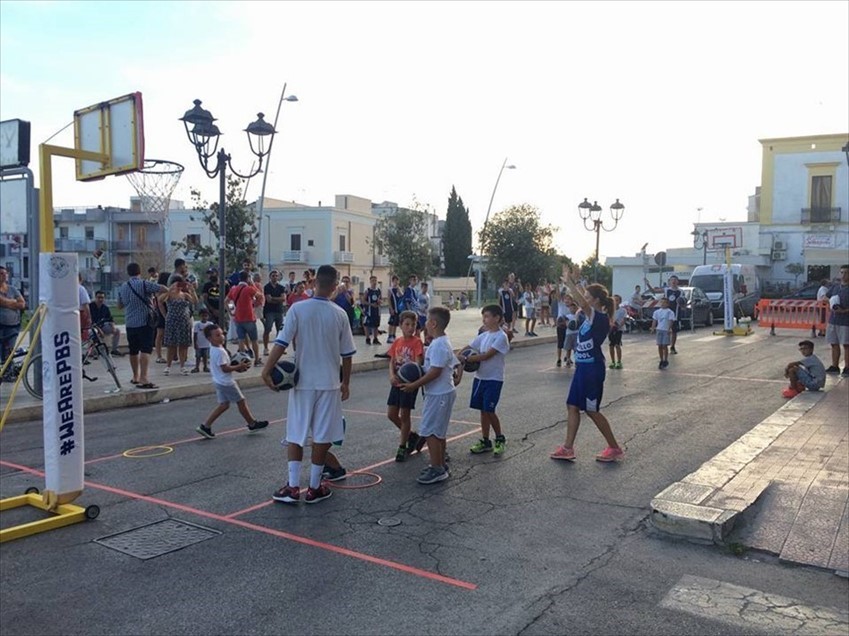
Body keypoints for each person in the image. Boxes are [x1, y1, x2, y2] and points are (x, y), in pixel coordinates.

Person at [263, 264, 356, 505]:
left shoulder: (297, 309)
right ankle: (314, 487)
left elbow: (281, 342)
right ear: (335, 287)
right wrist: (345, 382)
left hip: (302, 383)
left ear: (314, 283)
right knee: (322, 436)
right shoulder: (340, 314)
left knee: (296, 433)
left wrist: (266, 370)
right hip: (329, 384)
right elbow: (347, 354)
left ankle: (293, 487)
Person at [550, 271, 624, 463]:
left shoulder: (598, 317)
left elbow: (583, 302)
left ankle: (614, 448)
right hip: (582, 368)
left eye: (589, 297)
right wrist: (579, 283)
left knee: (591, 410)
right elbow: (585, 299)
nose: (585, 299)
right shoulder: (589, 315)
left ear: (596, 301)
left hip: (592, 370)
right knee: (572, 406)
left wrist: (569, 283)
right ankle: (567, 448)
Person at [400, 306, 460, 484]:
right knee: (438, 432)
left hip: (439, 395)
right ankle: (440, 464)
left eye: (426, 320)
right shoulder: (439, 342)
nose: (424, 323)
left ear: (433, 323)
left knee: (432, 432)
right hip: (440, 393)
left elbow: (434, 372)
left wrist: (414, 385)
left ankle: (437, 469)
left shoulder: (439, 345)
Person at [195, 324, 269, 439]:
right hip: (226, 382)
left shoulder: (215, 349)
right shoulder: (220, 352)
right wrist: (239, 366)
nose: (221, 337)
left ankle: (205, 426)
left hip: (218, 381)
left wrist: (237, 367)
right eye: (217, 335)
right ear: (209, 338)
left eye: (222, 334)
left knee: (224, 405)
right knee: (241, 401)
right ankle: (252, 423)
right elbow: (225, 368)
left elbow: (224, 367)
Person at [462, 304, 511, 456]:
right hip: (480, 378)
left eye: (487, 316)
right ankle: (485, 440)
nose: (484, 319)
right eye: (483, 317)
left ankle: (499, 438)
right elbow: (469, 345)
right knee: (483, 411)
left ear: (497, 318)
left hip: (493, 379)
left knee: (490, 410)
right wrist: (456, 354)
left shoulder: (501, 337)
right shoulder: (484, 335)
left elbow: (486, 356)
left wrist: (466, 358)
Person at [116, 262, 168, 389]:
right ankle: (144, 378)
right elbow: (163, 289)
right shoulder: (144, 284)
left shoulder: (122, 287)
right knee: (145, 349)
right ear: (139, 272)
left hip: (130, 323)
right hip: (145, 322)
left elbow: (119, 306)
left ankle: (135, 376)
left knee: (133, 351)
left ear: (128, 272)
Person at [386, 310, 425, 461]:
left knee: (405, 414)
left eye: (413, 324)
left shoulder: (417, 342)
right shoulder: (397, 342)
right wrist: (391, 375)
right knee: (391, 414)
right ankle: (412, 436)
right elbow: (391, 361)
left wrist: (412, 380)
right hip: (396, 382)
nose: (410, 327)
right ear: (400, 325)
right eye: (407, 324)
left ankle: (402, 446)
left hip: (408, 384)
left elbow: (418, 364)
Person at [161, 275, 198, 376]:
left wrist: (192, 290)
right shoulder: (169, 295)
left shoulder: (185, 295)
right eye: (177, 284)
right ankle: (168, 366)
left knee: (183, 345)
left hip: (184, 321)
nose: (179, 286)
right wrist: (170, 290)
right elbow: (160, 300)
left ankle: (182, 366)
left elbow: (195, 301)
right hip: (172, 321)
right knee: (171, 345)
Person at [227, 271, 262, 365]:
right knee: (254, 340)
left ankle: (243, 360)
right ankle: (257, 360)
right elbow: (260, 295)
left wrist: (230, 312)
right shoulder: (249, 289)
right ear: (248, 278)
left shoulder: (234, 289)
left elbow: (226, 301)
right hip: (249, 317)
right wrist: (253, 284)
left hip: (238, 317)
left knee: (241, 339)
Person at [645, 275, 685, 354]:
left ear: (677, 281)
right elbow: (654, 291)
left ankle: (672, 346)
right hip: (666, 313)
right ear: (669, 282)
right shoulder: (667, 290)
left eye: (675, 280)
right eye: (672, 280)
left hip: (675, 314)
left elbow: (683, 302)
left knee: (674, 331)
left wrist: (683, 306)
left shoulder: (681, 291)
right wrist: (648, 284)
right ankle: (664, 345)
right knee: (664, 329)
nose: (673, 281)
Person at [825, 264, 849, 377]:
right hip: (833, 320)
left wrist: (844, 311)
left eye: (846, 273)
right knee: (834, 343)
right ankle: (834, 366)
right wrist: (831, 303)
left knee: (846, 344)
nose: (844, 275)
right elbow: (826, 297)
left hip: (846, 321)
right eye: (842, 272)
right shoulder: (835, 287)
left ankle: (847, 367)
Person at [0, 265, 25, 366]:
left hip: (13, 325)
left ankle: (9, 370)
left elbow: (22, 304)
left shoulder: (12, 289)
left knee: (10, 349)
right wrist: (14, 302)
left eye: (5, 273)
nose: (4, 276)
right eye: (1, 274)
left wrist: (6, 302)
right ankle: (4, 370)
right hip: (1, 325)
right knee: (2, 350)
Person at [89, 290, 123, 356]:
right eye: (99, 297)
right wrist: (99, 330)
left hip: (102, 326)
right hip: (93, 327)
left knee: (117, 331)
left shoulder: (105, 308)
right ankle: (92, 352)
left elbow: (110, 319)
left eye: (102, 297)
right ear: (95, 297)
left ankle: (114, 349)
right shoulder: (90, 307)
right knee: (95, 333)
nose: (100, 299)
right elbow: (91, 321)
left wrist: (113, 326)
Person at [262, 270, 286, 356]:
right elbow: (268, 299)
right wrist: (278, 299)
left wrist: (273, 299)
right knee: (267, 329)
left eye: (276, 276)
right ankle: (265, 348)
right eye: (273, 275)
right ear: (270, 277)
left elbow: (283, 299)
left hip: (279, 310)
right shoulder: (267, 287)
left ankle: (278, 348)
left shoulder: (281, 287)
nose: (275, 277)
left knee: (280, 330)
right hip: (269, 311)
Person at [651, 298, 675, 370]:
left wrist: (669, 328)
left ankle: (665, 359)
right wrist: (653, 328)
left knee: (665, 345)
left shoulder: (670, 312)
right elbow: (654, 320)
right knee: (660, 345)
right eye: (661, 302)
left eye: (664, 303)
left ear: (667, 304)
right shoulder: (657, 312)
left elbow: (671, 320)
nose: (663, 304)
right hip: (659, 329)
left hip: (665, 330)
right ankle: (661, 359)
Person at [154, 272, 170, 363]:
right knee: (160, 333)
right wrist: (165, 316)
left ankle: (173, 353)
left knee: (169, 334)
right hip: (162, 312)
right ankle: (159, 355)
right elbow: (160, 304)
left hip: (169, 310)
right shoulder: (160, 289)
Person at [192, 308, 214, 373]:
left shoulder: (210, 324)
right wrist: (195, 343)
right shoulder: (197, 325)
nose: (204, 317)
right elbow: (195, 334)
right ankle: (197, 367)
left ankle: (205, 367)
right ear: (200, 316)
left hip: (207, 344)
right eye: (202, 316)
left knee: (205, 356)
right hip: (199, 344)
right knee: (198, 356)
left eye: (205, 316)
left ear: (208, 316)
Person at [608, 294, 626, 369]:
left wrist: (618, 326)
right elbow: (608, 318)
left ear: (620, 301)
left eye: (617, 300)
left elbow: (624, 319)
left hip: (619, 329)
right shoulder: (610, 310)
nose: (615, 301)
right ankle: (612, 361)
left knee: (617, 345)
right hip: (611, 329)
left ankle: (619, 361)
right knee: (611, 345)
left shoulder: (623, 310)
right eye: (614, 300)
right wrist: (611, 325)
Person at [364, 275, 383, 345]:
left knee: (376, 325)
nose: (374, 282)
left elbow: (381, 299)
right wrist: (371, 304)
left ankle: (375, 339)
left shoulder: (378, 290)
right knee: (367, 325)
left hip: (377, 311)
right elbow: (363, 301)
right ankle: (367, 338)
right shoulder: (367, 291)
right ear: (370, 282)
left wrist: (380, 301)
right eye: (372, 281)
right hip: (369, 311)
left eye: (375, 280)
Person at [386, 275, 404, 344]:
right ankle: (390, 335)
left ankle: (393, 335)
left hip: (398, 309)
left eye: (397, 281)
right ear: (392, 281)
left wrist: (399, 290)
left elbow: (402, 296)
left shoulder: (399, 289)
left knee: (395, 323)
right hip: (393, 308)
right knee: (391, 322)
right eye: (394, 281)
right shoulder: (390, 289)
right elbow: (389, 299)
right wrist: (391, 308)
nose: (396, 282)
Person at [78, 275, 92, 341]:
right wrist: (89, 317)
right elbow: (85, 304)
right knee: (83, 332)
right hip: (81, 313)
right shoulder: (81, 288)